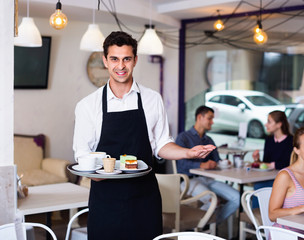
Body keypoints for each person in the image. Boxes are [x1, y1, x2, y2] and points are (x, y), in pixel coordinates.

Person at [72, 31, 215, 240]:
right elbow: (82, 154)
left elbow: (162, 144)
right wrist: (99, 174)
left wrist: (188, 153)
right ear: (105, 60)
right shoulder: (87, 106)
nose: (120, 66)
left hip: (144, 197)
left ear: (135, 60)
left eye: (126, 59)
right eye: (114, 59)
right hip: (106, 199)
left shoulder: (152, 99)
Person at [175, 105, 240, 224]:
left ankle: (211, 224)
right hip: (189, 181)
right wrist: (202, 165)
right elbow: (180, 163)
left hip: (208, 179)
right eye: (210, 118)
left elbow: (217, 160)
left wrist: (224, 163)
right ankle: (195, 229)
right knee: (212, 201)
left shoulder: (209, 140)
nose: (212, 122)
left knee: (237, 197)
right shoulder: (183, 138)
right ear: (200, 117)